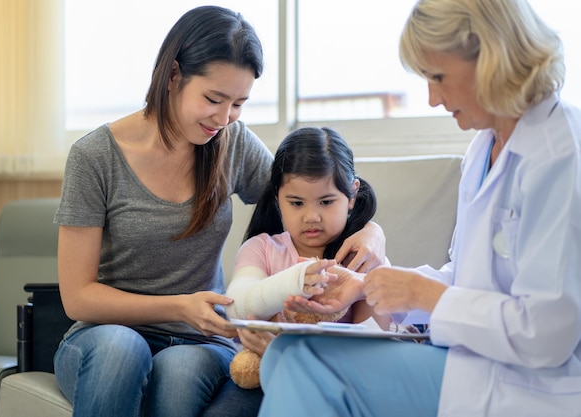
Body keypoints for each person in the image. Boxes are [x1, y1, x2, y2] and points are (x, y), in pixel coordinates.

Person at [52, 6, 385, 417]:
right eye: (213, 99)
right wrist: (178, 306)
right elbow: (78, 298)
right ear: (173, 75)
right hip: (103, 337)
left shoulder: (231, 142)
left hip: (200, 341)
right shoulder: (94, 157)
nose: (224, 118)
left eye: (239, 104)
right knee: (123, 350)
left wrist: (372, 229)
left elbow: (309, 191)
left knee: (178, 374)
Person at [257, 0, 581, 416]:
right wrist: (371, 286)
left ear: (491, 57)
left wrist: (427, 295)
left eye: (438, 76)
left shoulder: (560, 154)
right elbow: (467, 279)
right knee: (287, 351)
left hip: (533, 386)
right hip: (476, 364)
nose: (431, 98)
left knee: (308, 358)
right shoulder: (483, 148)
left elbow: (547, 332)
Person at [225, 126, 389, 329]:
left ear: (352, 195)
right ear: (277, 198)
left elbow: (375, 342)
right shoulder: (260, 249)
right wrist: (296, 281)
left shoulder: (365, 256)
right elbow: (236, 306)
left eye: (326, 202)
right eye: (297, 203)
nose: (311, 217)